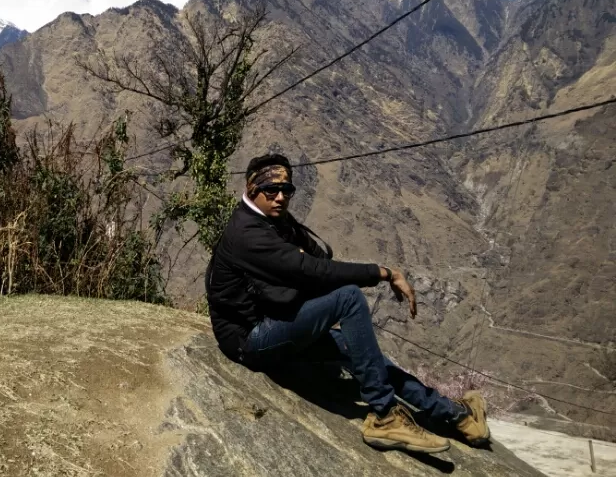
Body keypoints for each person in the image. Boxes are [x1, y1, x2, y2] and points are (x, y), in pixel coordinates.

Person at [205, 153, 490, 453]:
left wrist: (309, 264)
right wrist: (384, 272)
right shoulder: (248, 233)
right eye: (271, 191)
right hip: (250, 339)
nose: (280, 198)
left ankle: (456, 415)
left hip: (278, 321)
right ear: (252, 191)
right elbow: (313, 271)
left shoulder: (274, 220)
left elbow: (318, 259)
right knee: (349, 297)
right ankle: (384, 415)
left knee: (368, 358)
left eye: (286, 191)